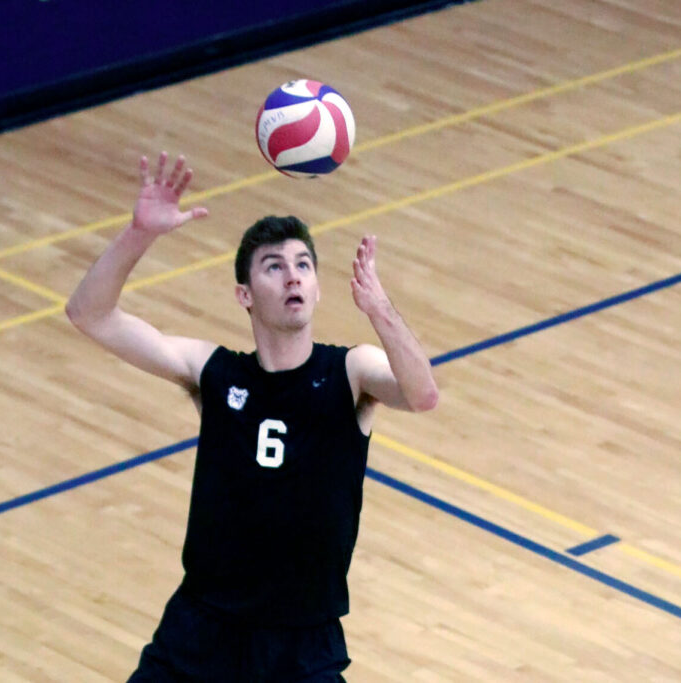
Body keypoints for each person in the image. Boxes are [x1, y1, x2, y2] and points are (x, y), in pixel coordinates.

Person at [65, 152, 438, 682]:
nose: (293, 276)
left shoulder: (350, 372)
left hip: (300, 646)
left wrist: (381, 311)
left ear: (316, 287)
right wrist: (138, 234)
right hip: (200, 633)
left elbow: (422, 394)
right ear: (244, 294)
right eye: (274, 266)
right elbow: (89, 315)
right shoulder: (213, 373)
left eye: (303, 265)